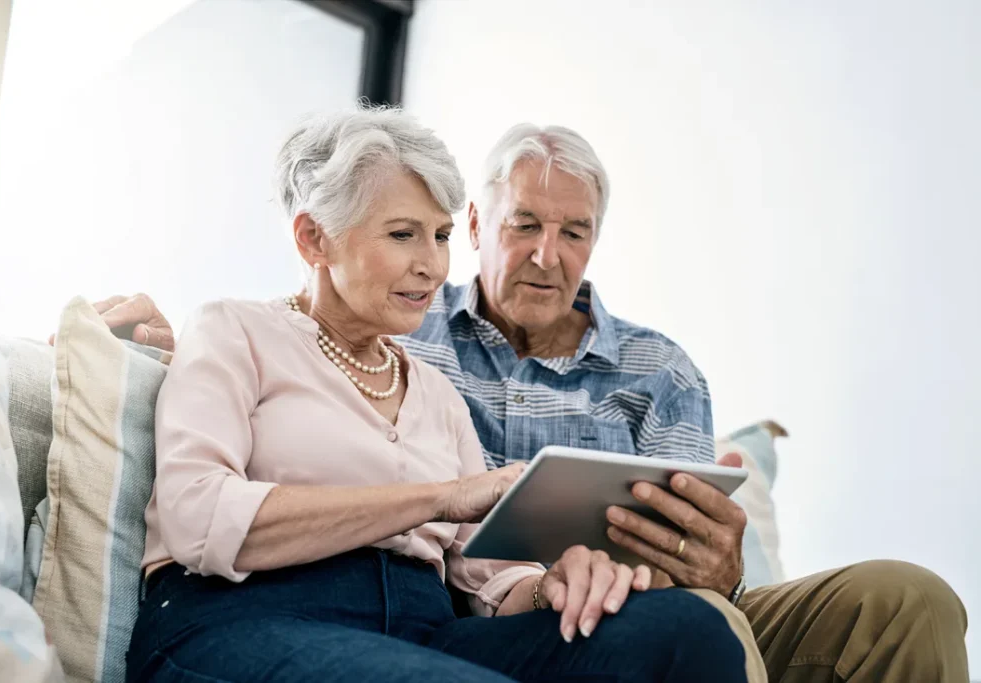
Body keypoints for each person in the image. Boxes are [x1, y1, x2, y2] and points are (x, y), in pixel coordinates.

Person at [95, 119, 968, 682]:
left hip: (491, 612)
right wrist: (446, 498)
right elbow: (210, 502)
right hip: (256, 613)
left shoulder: (442, 385)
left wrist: (560, 581)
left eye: (433, 238)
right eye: (409, 235)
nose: (430, 264)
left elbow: (484, 572)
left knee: (713, 627)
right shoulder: (275, 327)